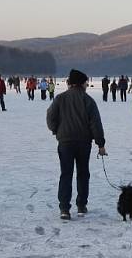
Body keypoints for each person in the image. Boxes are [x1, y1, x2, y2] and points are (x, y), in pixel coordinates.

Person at [45, 69, 107, 220]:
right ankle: (81, 205)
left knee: (66, 174)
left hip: (65, 142)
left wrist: (57, 131)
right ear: (81, 83)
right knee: (83, 173)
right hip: (83, 142)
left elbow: (50, 118)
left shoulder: (60, 99)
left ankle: (65, 208)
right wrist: (100, 144)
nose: (87, 85)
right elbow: (95, 124)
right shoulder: (88, 100)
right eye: (86, 82)